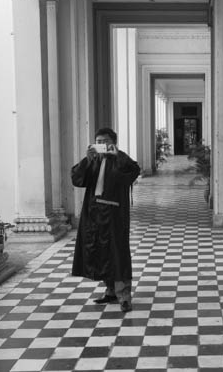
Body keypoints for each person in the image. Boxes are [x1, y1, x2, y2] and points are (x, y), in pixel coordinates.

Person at [71, 128, 140, 312]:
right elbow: (77, 179)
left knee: (118, 254)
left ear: (113, 142)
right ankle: (110, 291)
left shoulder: (121, 159)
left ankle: (124, 296)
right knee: (101, 252)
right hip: (94, 212)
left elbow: (133, 171)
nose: (102, 145)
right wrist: (86, 160)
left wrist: (117, 156)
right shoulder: (93, 161)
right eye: (98, 141)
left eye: (105, 141)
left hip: (114, 212)